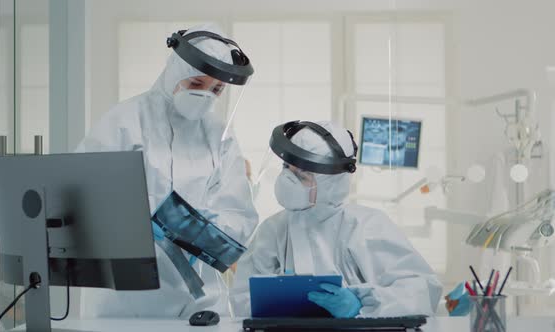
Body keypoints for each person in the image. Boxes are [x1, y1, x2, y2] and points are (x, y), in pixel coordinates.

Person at [76, 23, 259, 318]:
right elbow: (80, 192)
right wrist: (132, 223)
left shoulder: (219, 135)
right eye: (197, 84)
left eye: (217, 89)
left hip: (200, 300)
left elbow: (239, 212)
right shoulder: (124, 121)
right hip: (124, 297)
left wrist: (206, 230)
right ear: (176, 71)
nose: (206, 95)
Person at [229, 120, 443, 318]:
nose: (287, 181)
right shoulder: (273, 229)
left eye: (302, 175)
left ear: (331, 183)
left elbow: (421, 289)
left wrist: (362, 303)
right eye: (287, 168)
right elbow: (243, 298)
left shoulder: (367, 226)